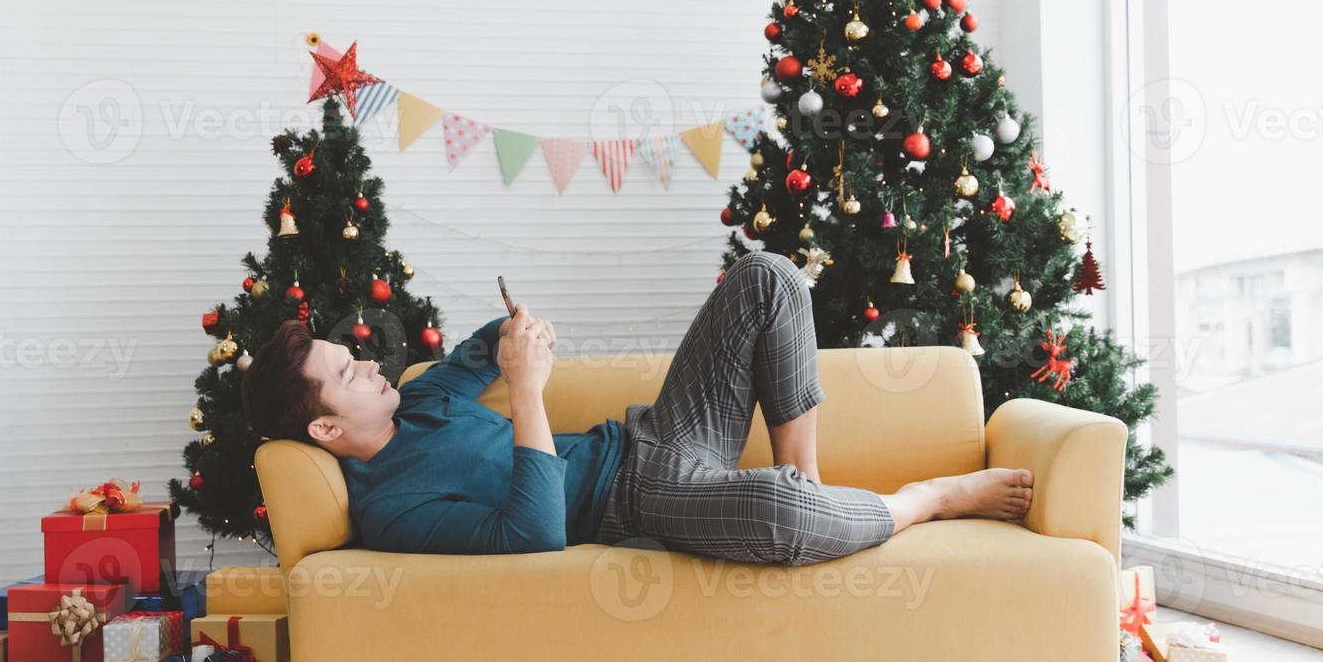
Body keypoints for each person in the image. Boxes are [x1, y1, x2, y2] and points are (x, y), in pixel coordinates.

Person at [240, 250, 1032, 565]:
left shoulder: (418, 398)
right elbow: (535, 532)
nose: (372, 363)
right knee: (783, 520)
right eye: (348, 371)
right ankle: (929, 500)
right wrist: (525, 392)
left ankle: (811, 479)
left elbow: (479, 347)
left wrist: (518, 331)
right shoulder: (394, 509)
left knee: (770, 277)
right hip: (636, 502)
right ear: (326, 428)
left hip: (658, 435)